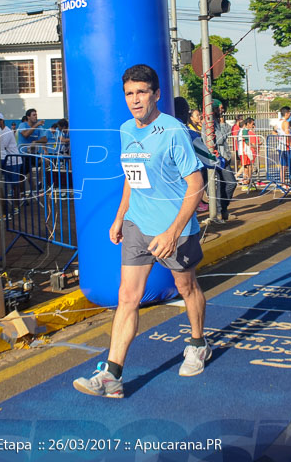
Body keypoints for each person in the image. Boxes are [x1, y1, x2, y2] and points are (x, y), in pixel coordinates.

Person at [72, 64, 206, 398]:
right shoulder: (126, 130)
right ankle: (112, 374)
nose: (135, 99)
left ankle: (198, 343)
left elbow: (197, 184)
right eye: (129, 93)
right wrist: (120, 216)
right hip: (137, 224)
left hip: (173, 228)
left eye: (142, 92)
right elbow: (133, 178)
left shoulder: (173, 131)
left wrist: (174, 231)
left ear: (156, 94)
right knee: (127, 297)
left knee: (186, 286)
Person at [237, 117, 260, 190]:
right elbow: (247, 142)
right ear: (248, 124)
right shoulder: (244, 131)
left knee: (249, 166)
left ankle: (248, 182)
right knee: (246, 167)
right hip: (244, 151)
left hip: (246, 151)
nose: (253, 125)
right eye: (252, 124)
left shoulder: (246, 131)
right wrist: (254, 146)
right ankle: (245, 183)